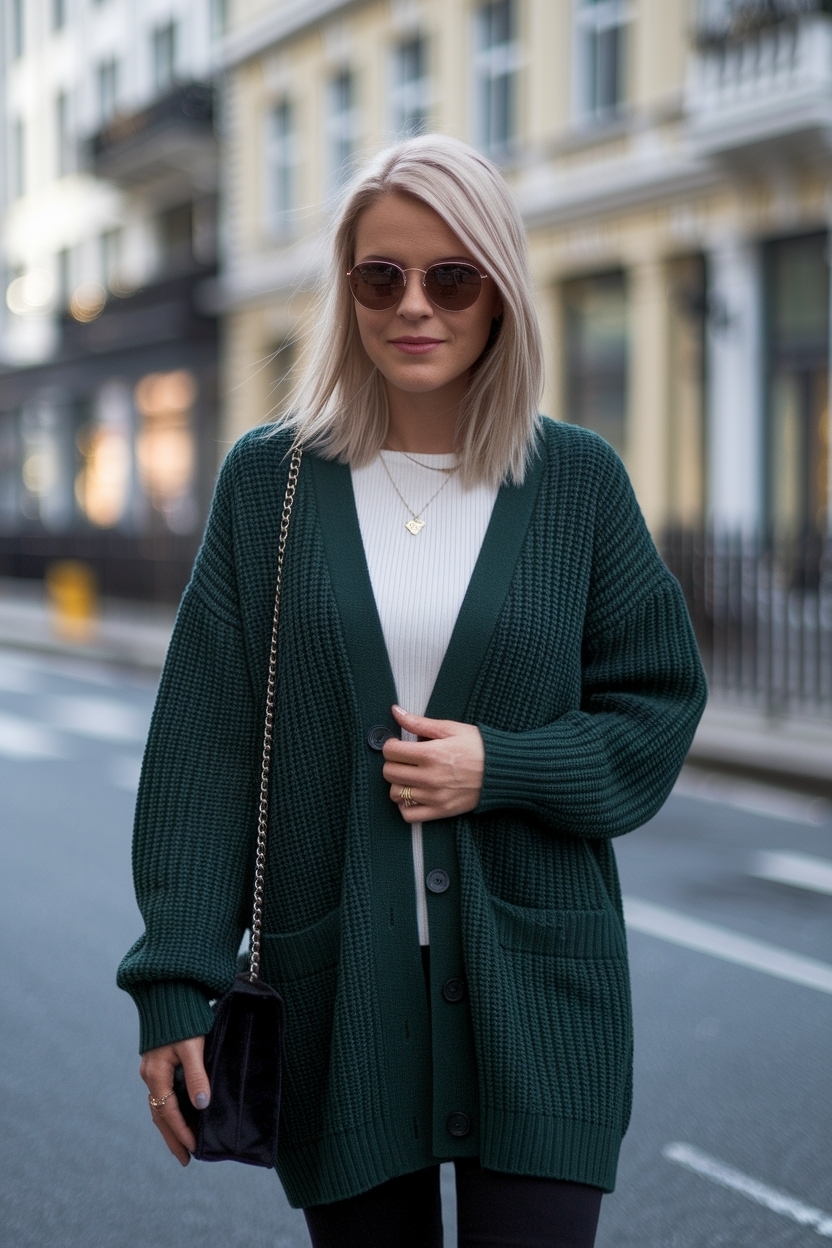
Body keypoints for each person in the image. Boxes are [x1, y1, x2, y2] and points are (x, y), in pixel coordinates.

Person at [118, 134, 706, 1248]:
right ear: (347, 292)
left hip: (540, 992)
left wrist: (504, 766)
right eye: (380, 277)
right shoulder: (271, 482)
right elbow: (204, 746)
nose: (414, 306)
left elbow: (657, 704)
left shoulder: (575, 479)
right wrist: (170, 983)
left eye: (453, 276)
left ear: (500, 293)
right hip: (338, 992)